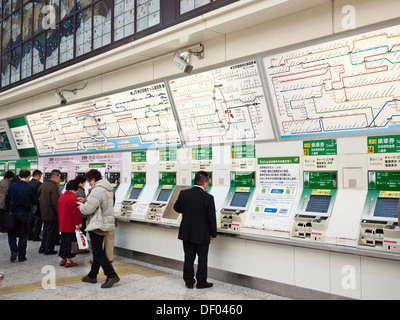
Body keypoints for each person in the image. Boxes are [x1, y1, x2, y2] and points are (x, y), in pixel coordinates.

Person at [173, 171, 217, 289]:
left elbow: (176, 207)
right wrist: (213, 234)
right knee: (202, 258)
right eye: (207, 182)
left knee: (188, 257)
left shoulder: (184, 194)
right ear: (204, 183)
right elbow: (211, 217)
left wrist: (187, 211)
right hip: (202, 234)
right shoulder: (208, 198)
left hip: (186, 232)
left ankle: (189, 282)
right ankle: (201, 282)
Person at [79, 169, 119, 288]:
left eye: (89, 181)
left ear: (93, 180)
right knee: (98, 251)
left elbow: (87, 209)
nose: (88, 184)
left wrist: (81, 206)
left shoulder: (97, 190)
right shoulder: (109, 189)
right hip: (105, 222)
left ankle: (112, 275)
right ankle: (92, 275)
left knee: (97, 251)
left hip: (97, 224)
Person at [5, 169, 38, 262]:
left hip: (13, 214)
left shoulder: (12, 186)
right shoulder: (30, 188)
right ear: (29, 176)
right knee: (23, 235)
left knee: (11, 234)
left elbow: (6, 200)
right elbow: (35, 201)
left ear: (19, 176)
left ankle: (13, 251)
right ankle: (22, 256)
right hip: (24, 214)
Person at [58, 180, 82, 268]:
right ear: (75, 188)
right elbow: (76, 213)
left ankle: (63, 259)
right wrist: (78, 225)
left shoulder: (61, 197)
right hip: (71, 224)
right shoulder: (74, 199)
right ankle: (69, 260)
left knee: (63, 241)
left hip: (62, 223)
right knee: (71, 242)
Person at [39, 169, 61, 255]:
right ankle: (49, 249)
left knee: (46, 231)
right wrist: (59, 212)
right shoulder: (54, 186)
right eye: (59, 177)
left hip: (44, 212)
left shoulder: (43, 184)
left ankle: (43, 247)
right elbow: (55, 202)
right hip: (52, 213)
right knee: (51, 232)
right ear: (54, 177)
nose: (60, 179)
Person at [28, 170, 43, 241]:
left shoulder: (28, 183)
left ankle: (30, 236)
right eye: (40, 176)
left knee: (30, 221)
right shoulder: (39, 184)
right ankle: (35, 236)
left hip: (29, 204)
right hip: (37, 205)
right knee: (37, 221)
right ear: (37, 175)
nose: (40, 178)